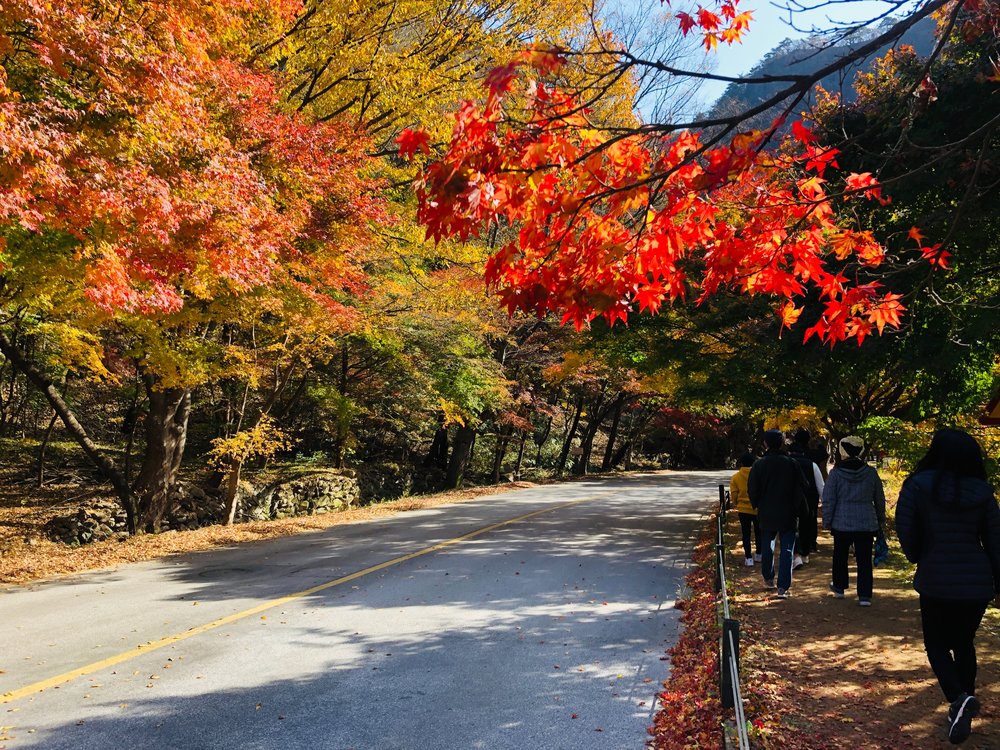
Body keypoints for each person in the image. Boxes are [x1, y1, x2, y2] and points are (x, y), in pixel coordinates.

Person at [895, 428, 1000, 745]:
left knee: (937, 644)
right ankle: (963, 701)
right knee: (964, 642)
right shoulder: (983, 492)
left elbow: (906, 526)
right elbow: (996, 540)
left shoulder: (917, 486)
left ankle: (958, 699)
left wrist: (918, 555)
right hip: (977, 581)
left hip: (936, 578)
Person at [821, 435, 885, 607]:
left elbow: (829, 499)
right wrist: (880, 519)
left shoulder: (836, 474)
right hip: (866, 521)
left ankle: (840, 587)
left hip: (841, 521)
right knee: (864, 558)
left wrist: (827, 520)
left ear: (843, 451)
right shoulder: (871, 473)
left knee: (840, 555)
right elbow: (879, 498)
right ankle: (864, 595)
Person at [748, 429, 808, 598]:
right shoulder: (791, 463)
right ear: (782, 442)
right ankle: (783, 587)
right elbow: (802, 485)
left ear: (765, 443)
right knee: (787, 548)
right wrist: (796, 506)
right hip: (788, 511)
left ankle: (768, 578)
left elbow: (752, 489)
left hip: (766, 510)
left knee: (767, 545)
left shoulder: (759, 464)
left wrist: (758, 504)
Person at [788, 428, 825, 566]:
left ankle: (795, 552)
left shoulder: (787, 462)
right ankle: (806, 551)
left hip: (790, 499)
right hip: (809, 499)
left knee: (792, 525)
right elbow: (820, 484)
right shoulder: (811, 463)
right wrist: (824, 500)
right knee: (808, 524)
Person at [730, 452, 761, 566]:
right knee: (759, 532)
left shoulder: (736, 477)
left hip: (743, 509)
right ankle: (759, 554)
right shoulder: (758, 475)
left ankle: (748, 558)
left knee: (746, 533)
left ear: (741, 463)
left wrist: (736, 502)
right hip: (757, 508)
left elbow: (734, 494)